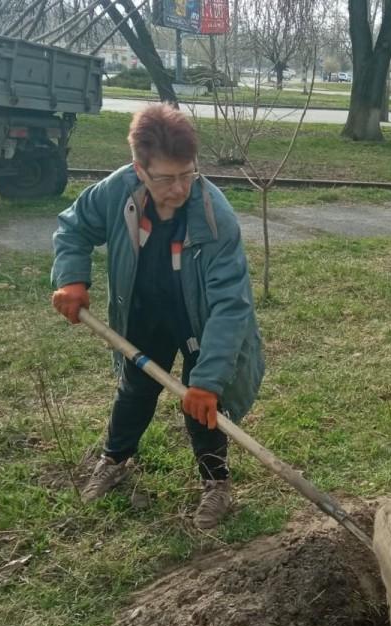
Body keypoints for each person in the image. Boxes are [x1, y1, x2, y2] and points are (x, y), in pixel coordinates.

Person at [51, 103, 264, 530]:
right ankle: (114, 459)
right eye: (166, 178)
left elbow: (230, 304)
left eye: (187, 174)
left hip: (197, 318)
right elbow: (73, 227)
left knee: (202, 405)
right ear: (140, 169)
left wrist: (207, 381)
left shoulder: (213, 215)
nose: (179, 188)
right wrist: (73, 278)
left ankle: (216, 482)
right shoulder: (118, 191)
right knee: (135, 390)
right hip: (144, 309)